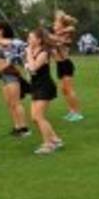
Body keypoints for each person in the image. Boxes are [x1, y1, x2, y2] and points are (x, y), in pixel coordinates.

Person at [26, 27, 64, 155]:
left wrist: (28, 54)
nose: (28, 40)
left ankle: (48, 145)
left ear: (39, 40)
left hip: (45, 86)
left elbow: (33, 67)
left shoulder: (43, 53)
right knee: (34, 117)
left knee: (39, 116)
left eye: (31, 38)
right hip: (36, 86)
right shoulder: (32, 50)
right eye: (29, 38)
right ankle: (55, 139)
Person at [0, 20, 29, 137]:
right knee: (9, 103)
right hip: (3, 76)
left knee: (16, 103)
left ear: (1, 31)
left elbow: (21, 46)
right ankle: (17, 127)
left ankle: (24, 128)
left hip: (12, 75)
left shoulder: (12, 42)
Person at [52, 10, 84, 122]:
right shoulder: (57, 35)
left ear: (61, 25)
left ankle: (77, 113)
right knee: (64, 90)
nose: (54, 26)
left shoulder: (66, 35)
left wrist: (60, 31)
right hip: (59, 65)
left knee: (69, 89)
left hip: (66, 64)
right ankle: (71, 111)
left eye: (56, 24)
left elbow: (72, 27)